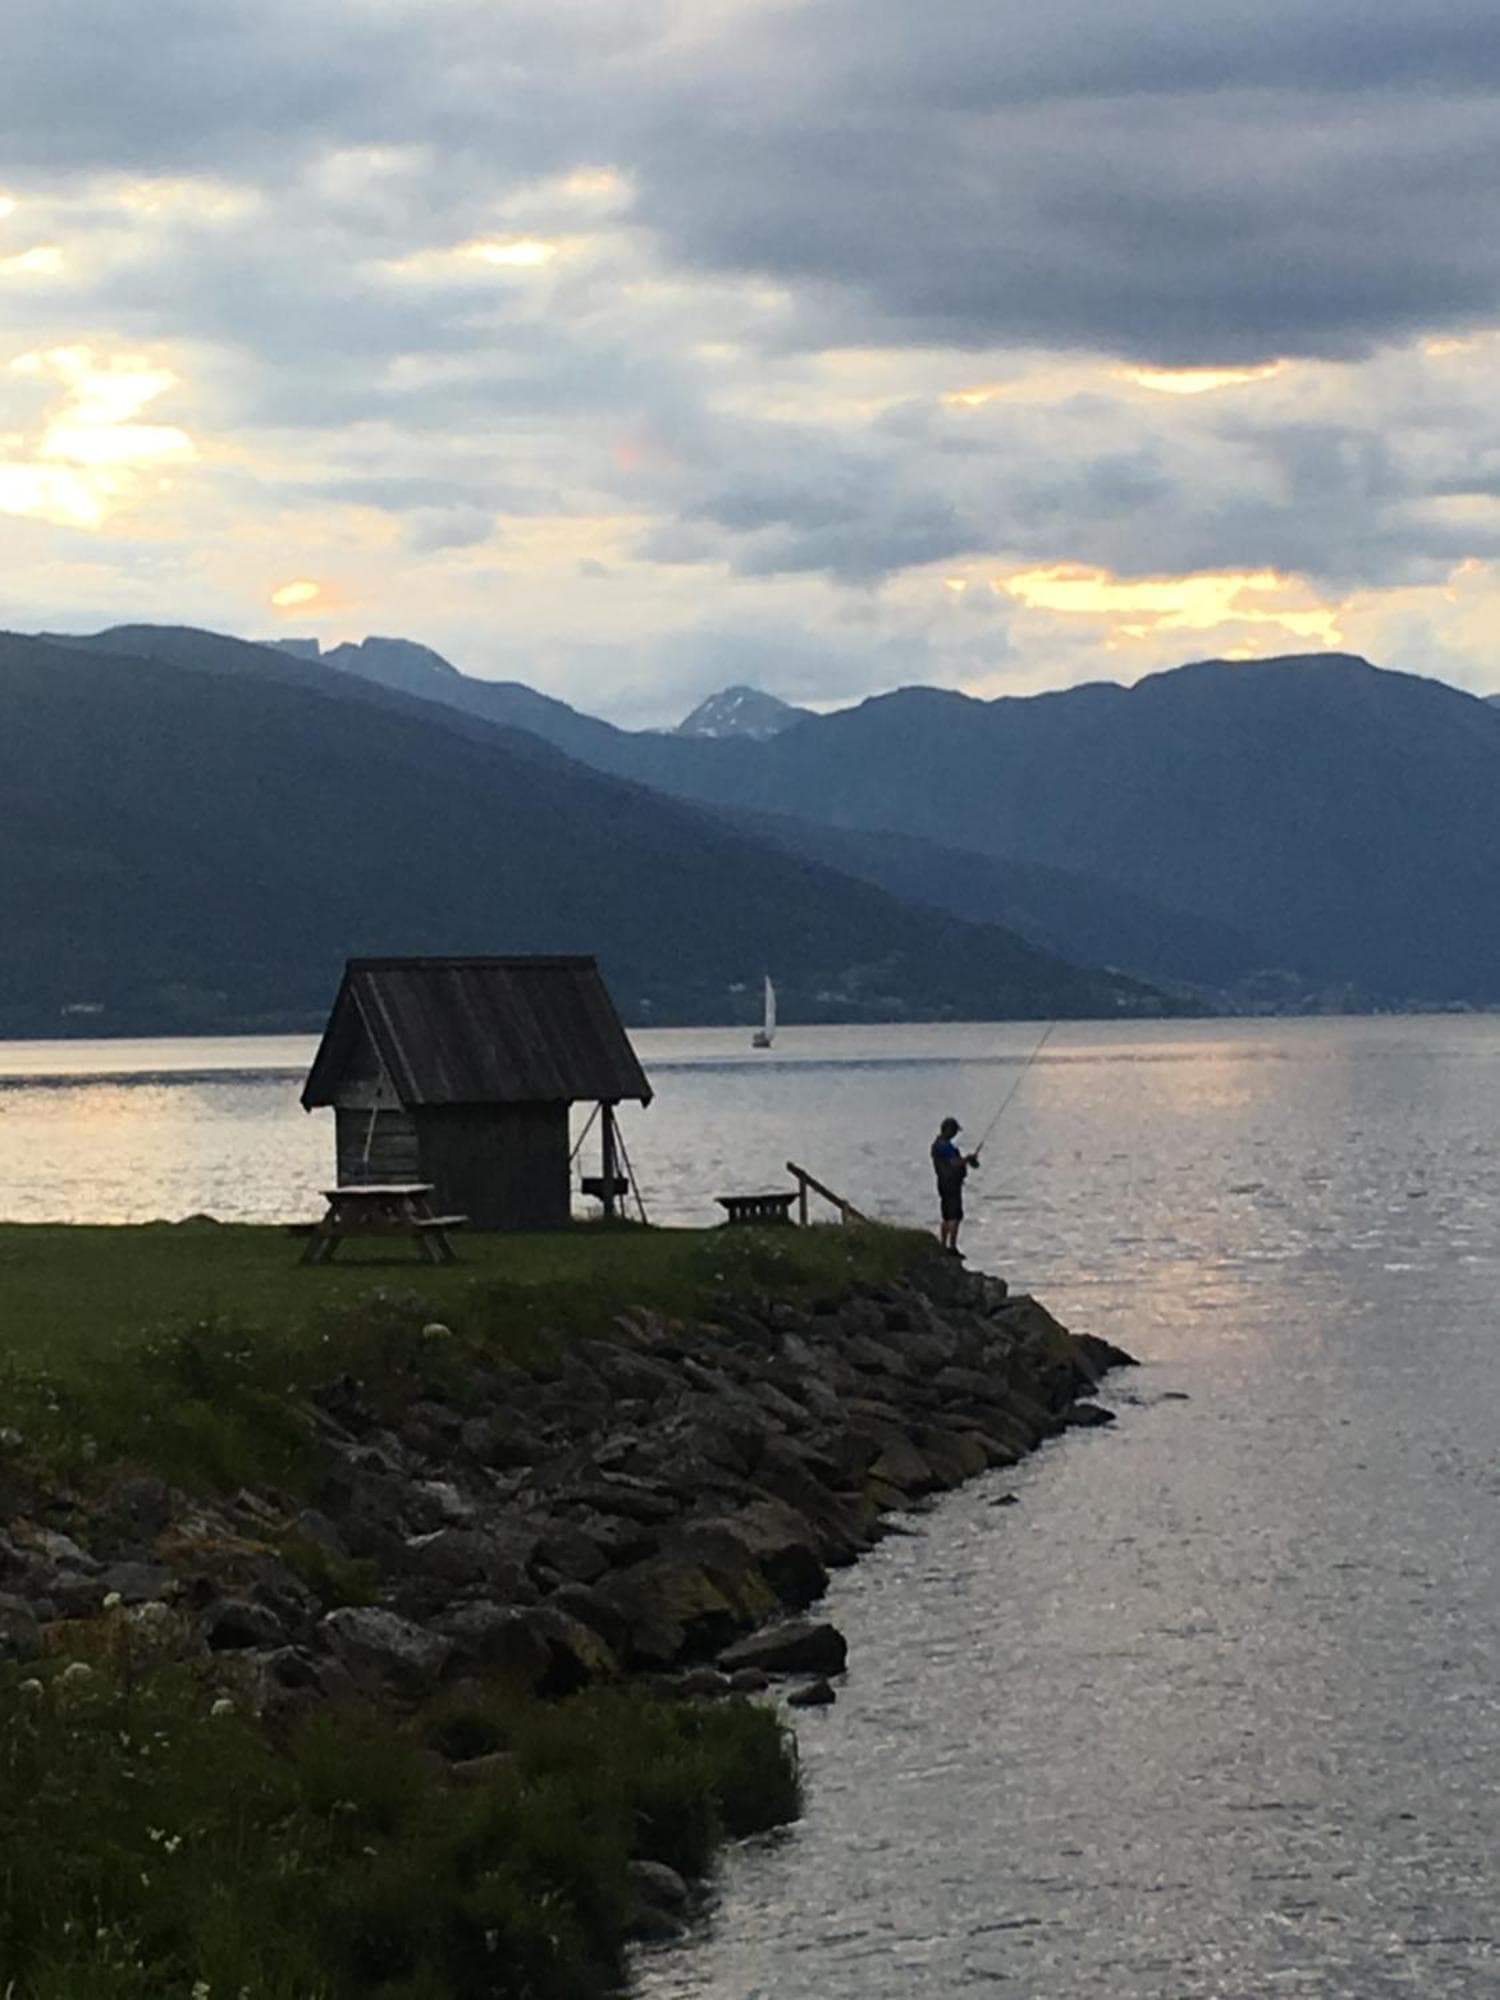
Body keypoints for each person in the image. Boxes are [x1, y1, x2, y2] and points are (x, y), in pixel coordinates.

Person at [930, 1116, 980, 1254]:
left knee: (946, 1216)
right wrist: (968, 1159)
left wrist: (967, 1160)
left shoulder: (938, 1145)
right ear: (949, 1130)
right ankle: (952, 1247)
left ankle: (943, 1245)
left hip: (943, 1183)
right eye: (954, 1131)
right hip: (951, 1184)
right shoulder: (945, 1146)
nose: (955, 1134)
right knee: (954, 1216)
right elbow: (954, 1163)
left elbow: (954, 1162)